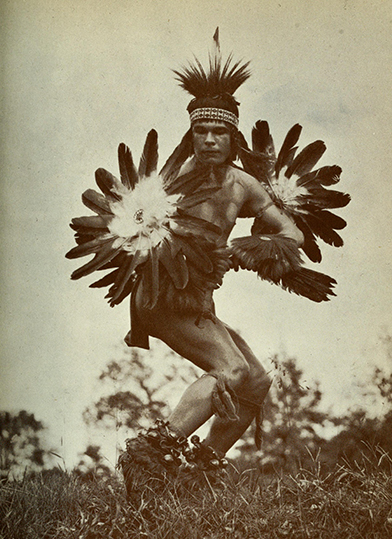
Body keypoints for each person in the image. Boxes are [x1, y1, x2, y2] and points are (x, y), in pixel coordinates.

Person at [66, 31, 348, 493]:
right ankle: (151, 453)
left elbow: (292, 232)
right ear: (191, 133)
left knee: (255, 381)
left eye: (219, 132)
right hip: (163, 292)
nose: (210, 140)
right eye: (202, 131)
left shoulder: (243, 185)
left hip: (199, 299)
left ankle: (201, 471)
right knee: (231, 371)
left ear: (233, 136)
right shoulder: (171, 179)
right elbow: (139, 230)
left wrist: (256, 248)